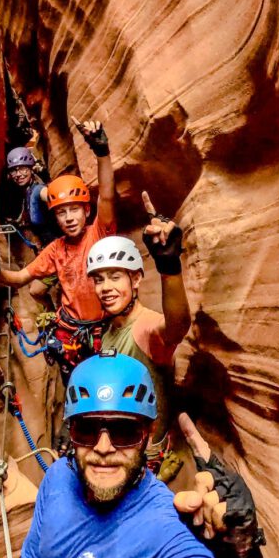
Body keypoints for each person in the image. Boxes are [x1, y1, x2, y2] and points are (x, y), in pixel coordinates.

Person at [14, 352, 270, 558]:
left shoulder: (165, 535)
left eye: (123, 431)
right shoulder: (59, 479)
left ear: (147, 435)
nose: (104, 447)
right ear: (71, 434)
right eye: (88, 429)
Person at [0, 119, 118, 370]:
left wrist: (102, 153)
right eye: (61, 212)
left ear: (86, 211)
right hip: (72, 334)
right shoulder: (56, 250)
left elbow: (106, 195)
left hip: (103, 331)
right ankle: (54, 317)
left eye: (74, 210)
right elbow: (18, 278)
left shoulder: (98, 233)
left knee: (38, 291)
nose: (69, 217)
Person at [85, 191, 191, 480]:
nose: (105, 287)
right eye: (99, 279)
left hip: (145, 461)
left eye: (115, 276)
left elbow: (177, 326)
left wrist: (169, 267)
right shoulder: (108, 331)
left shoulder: (145, 326)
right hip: (119, 447)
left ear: (136, 279)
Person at [5, 146, 58, 247]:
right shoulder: (27, 192)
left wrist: (47, 180)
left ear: (31, 169)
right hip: (47, 247)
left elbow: (54, 197)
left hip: (56, 245)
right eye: (14, 171)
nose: (18, 174)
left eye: (23, 169)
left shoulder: (39, 190)